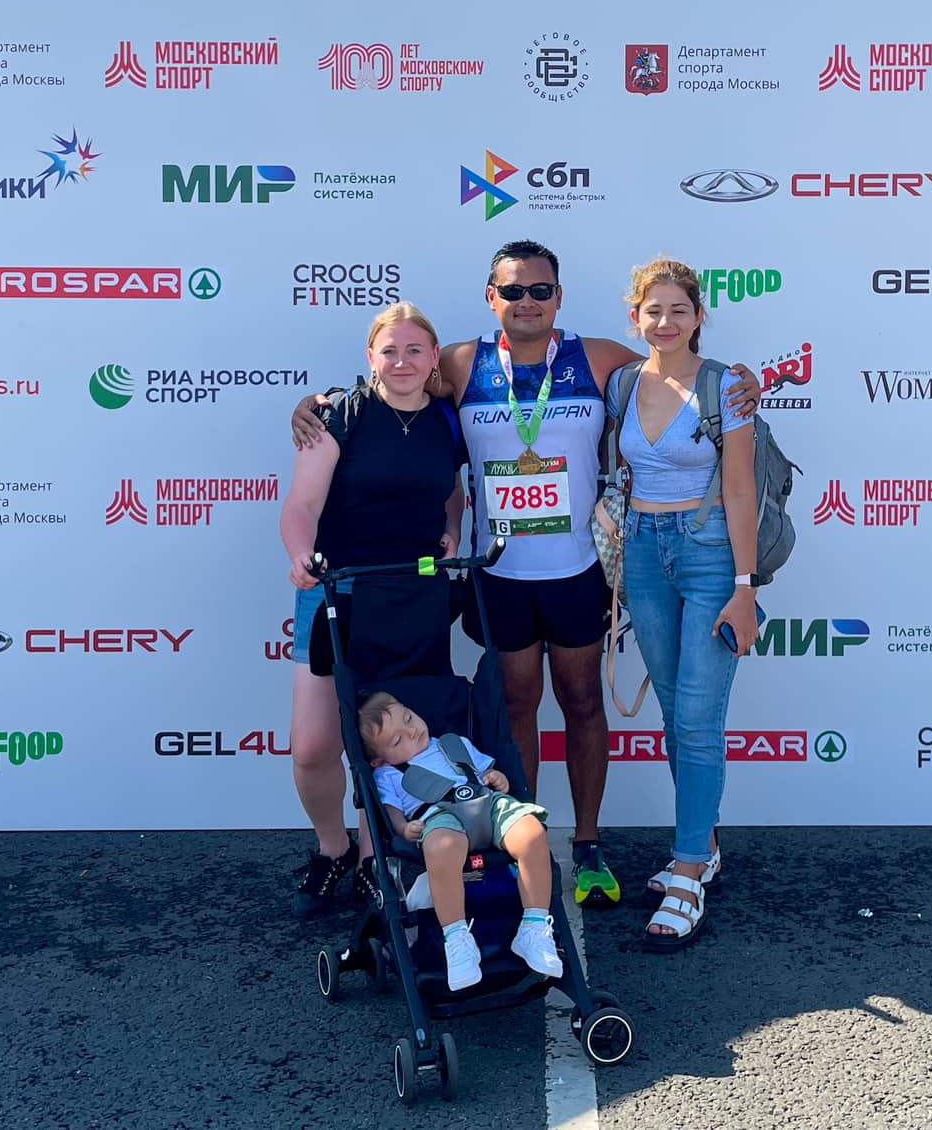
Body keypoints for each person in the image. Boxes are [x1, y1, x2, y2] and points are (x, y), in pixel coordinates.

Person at [294, 241, 762, 910]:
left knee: (581, 704)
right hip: (499, 574)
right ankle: (525, 839)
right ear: (492, 299)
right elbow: (389, 388)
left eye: (540, 291)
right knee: (514, 708)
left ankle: (590, 843)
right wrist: (319, 404)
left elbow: (679, 376)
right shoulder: (459, 362)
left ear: (559, 298)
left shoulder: (598, 358)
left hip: (576, 570)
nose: (527, 303)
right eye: (513, 292)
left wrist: (741, 379)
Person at [279, 303, 465, 916]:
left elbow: (451, 492)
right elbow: (301, 505)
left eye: (416, 350)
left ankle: (370, 858)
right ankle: (332, 847)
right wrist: (302, 554)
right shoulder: (341, 414)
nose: (403, 361)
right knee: (313, 746)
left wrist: (452, 530)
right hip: (338, 593)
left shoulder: (447, 419)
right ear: (371, 358)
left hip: (411, 597)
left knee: (391, 745)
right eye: (390, 350)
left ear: (433, 358)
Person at [608, 258, 759, 951]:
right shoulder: (620, 383)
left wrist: (744, 589)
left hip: (708, 559)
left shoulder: (726, 386)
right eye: (652, 311)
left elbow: (739, 491)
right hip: (643, 553)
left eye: (678, 310)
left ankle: (691, 868)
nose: (664, 322)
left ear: (700, 316)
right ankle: (705, 844)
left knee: (698, 721)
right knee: (675, 713)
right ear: (634, 316)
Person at [358, 691, 563, 990]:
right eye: (398, 740)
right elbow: (390, 813)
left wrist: (498, 779)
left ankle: (533, 927)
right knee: (442, 848)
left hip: (487, 804)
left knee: (532, 833)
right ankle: (457, 939)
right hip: (437, 816)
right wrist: (403, 829)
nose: (413, 730)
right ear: (379, 759)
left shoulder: (454, 744)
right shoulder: (388, 774)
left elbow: (486, 774)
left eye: (409, 718)